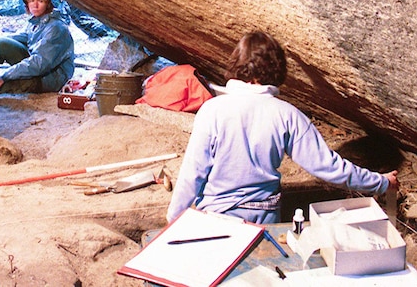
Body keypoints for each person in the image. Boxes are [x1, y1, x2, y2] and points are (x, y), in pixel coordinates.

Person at [167, 31, 398, 224]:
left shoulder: (212, 110)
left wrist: (173, 219)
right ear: (277, 69)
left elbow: (192, 173)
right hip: (265, 218)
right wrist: (382, 182)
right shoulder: (288, 115)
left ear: (237, 63)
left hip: (216, 218)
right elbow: (328, 167)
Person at [0, 0, 75, 94]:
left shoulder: (56, 28)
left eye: (41, 1)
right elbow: (17, 38)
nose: (35, 5)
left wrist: (6, 75)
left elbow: (40, 64)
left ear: (48, 4)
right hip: (36, 66)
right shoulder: (36, 21)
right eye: (31, 1)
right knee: (0, 44)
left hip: (51, 77)